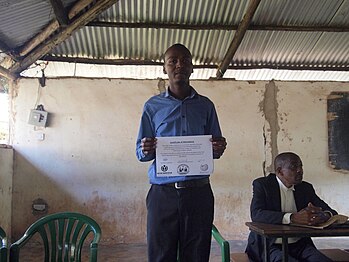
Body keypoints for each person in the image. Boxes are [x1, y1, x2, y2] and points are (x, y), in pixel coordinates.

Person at [135, 43, 227, 262]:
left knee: (196, 254)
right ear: (164, 68)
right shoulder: (152, 106)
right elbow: (141, 153)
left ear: (193, 67)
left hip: (199, 193)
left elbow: (215, 149)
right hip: (162, 194)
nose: (179, 65)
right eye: (173, 61)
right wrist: (146, 148)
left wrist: (218, 147)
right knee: (160, 254)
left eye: (185, 60)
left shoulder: (206, 106)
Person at [246, 152, 337, 262]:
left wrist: (323, 215)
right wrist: (292, 218)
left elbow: (331, 212)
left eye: (301, 166)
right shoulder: (263, 185)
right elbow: (256, 214)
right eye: (294, 167)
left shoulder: (305, 188)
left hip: (299, 244)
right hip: (270, 245)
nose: (300, 170)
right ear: (280, 171)